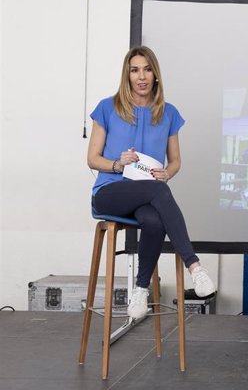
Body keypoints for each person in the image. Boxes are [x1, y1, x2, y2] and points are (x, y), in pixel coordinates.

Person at [87, 45, 216, 320]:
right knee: (158, 190)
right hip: (110, 192)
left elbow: (176, 161)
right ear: (127, 75)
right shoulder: (107, 108)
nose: (141, 76)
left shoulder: (168, 113)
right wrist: (117, 164)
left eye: (147, 70)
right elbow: (92, 159)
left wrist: (168, 172)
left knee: (155, 220)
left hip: (145, 195)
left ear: (155, 75)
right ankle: (194, 265)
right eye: (135, 70)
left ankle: (141, 290)